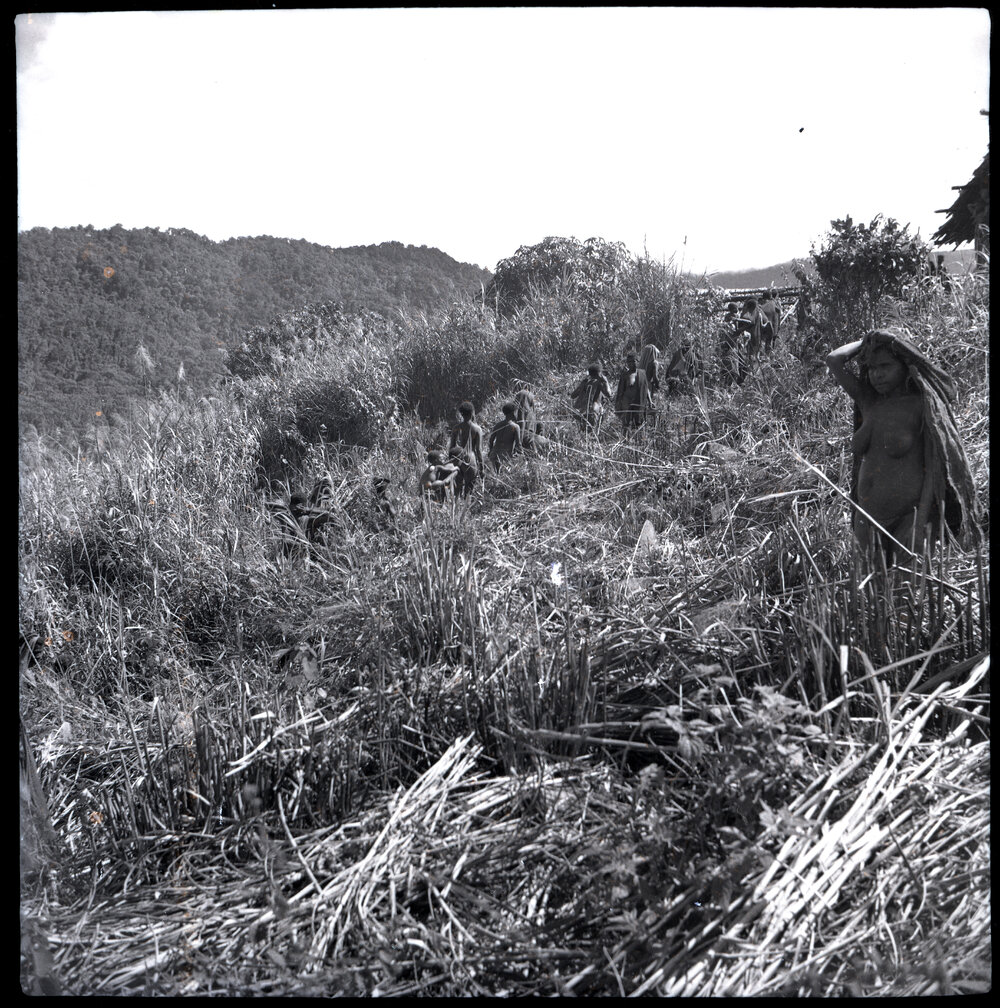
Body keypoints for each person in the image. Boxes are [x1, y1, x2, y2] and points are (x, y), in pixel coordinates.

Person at [826, 328, 979, 560]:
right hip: (866, 518)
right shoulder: (869, 402)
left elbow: (933, 470)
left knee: (910, 582)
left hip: (909, 519)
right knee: (867, 583)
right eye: (872, 368)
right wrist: (870, 340)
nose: (877, 375)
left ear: (905, 365)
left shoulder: (922, 405)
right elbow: (834, 360)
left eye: (885, 366)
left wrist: (920, 523)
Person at [448, 400, 485, 498]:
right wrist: (482, 468)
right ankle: (466, 505)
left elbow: (452, 447)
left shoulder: (456, 428)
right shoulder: (477, 429)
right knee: (468, 490)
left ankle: (455, 506)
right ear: (472, 413)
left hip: (458, 458)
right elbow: (479, 450)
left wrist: (450, 463)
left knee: (457, 489)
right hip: (471, 459)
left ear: (461, 414)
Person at [615, 351, 653, 430]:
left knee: (637, 424)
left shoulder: (642, 373)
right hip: (627, 403)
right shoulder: (625, 375)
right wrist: (618, 404)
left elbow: (646, 388)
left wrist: (650, 401)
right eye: (629, 362)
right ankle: (625, 437)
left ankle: (636, 437)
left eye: (633, 361)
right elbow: (620, 391)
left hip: (639, 403)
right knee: (626, 425)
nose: (631, 364)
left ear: (637, 361)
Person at [570, 364, 613, 432]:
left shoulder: (585, 382)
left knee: (582, 431)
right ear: (599, 373)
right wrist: (605, 381)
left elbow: (572, 396)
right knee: (591, 432)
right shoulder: (599, 383)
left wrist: (581, 385)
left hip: (579, 411)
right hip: (593, 410)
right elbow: (609, 394)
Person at [487, 401, 524, 472]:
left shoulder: (498, 425)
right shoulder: (515, 427)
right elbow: (518, 444)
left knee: (493, 474)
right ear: (513, 413)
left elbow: (491, 440)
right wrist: (522, 455)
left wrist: (491, 450)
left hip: (494, 454)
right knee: (502, 475)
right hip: (505, 456)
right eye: (516, 412)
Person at [718, 301, 747, 388]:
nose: (737, 309)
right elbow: (737, 330)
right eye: (736, 308)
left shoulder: (727, 317)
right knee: (739, 364)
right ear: (734, 309)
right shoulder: (734, 317)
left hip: (729, 343)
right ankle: (738, 383)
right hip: (733, 343)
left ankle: (731, 383)